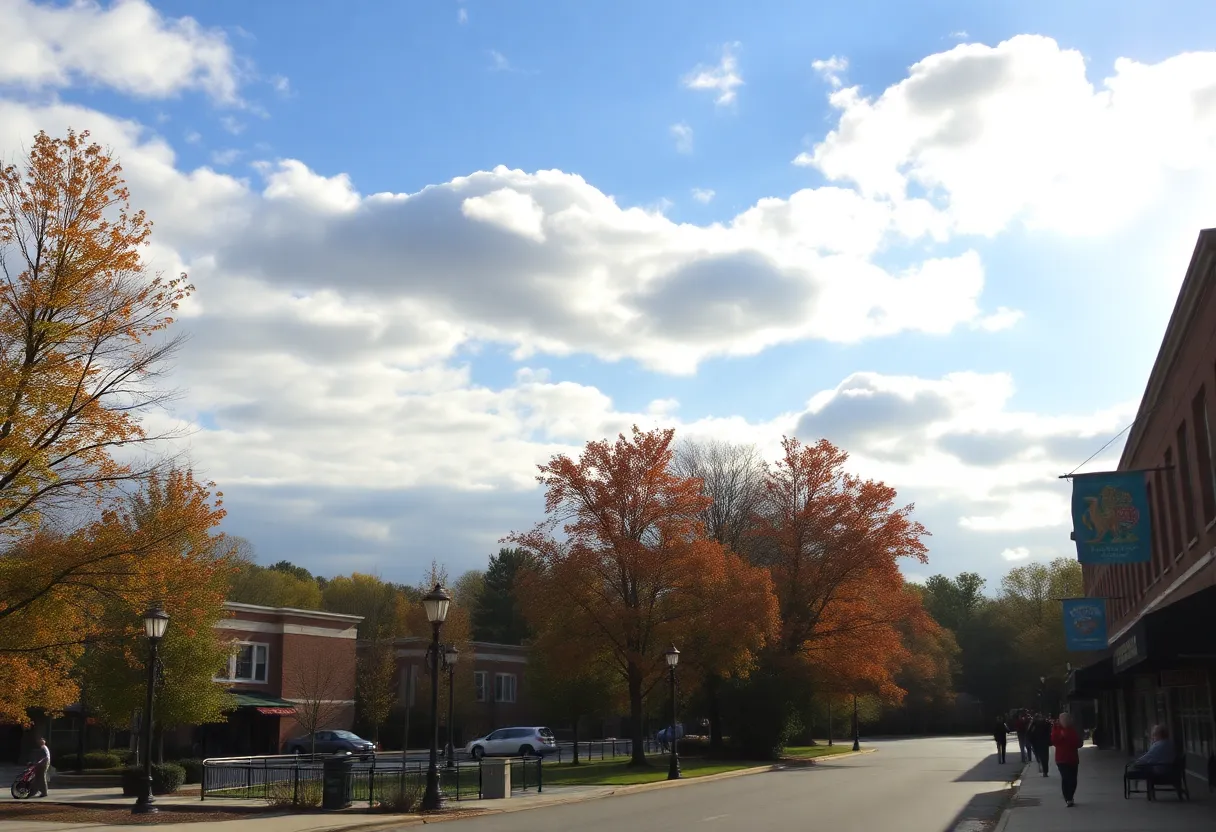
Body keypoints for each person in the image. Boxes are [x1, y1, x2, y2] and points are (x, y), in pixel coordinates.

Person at [1051, 712, 1083, 807]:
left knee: (1073, 780)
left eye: (1066, 719)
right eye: (1063, 719)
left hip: (1073, 758)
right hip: (1061, 759)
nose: (1065, 721)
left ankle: (1071, 795)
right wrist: (1061, 736)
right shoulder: (1057, 729)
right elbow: (1053, 741)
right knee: (1066, 778)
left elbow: (1079, 743)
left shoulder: (1073, 729)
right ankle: (1068, 798)